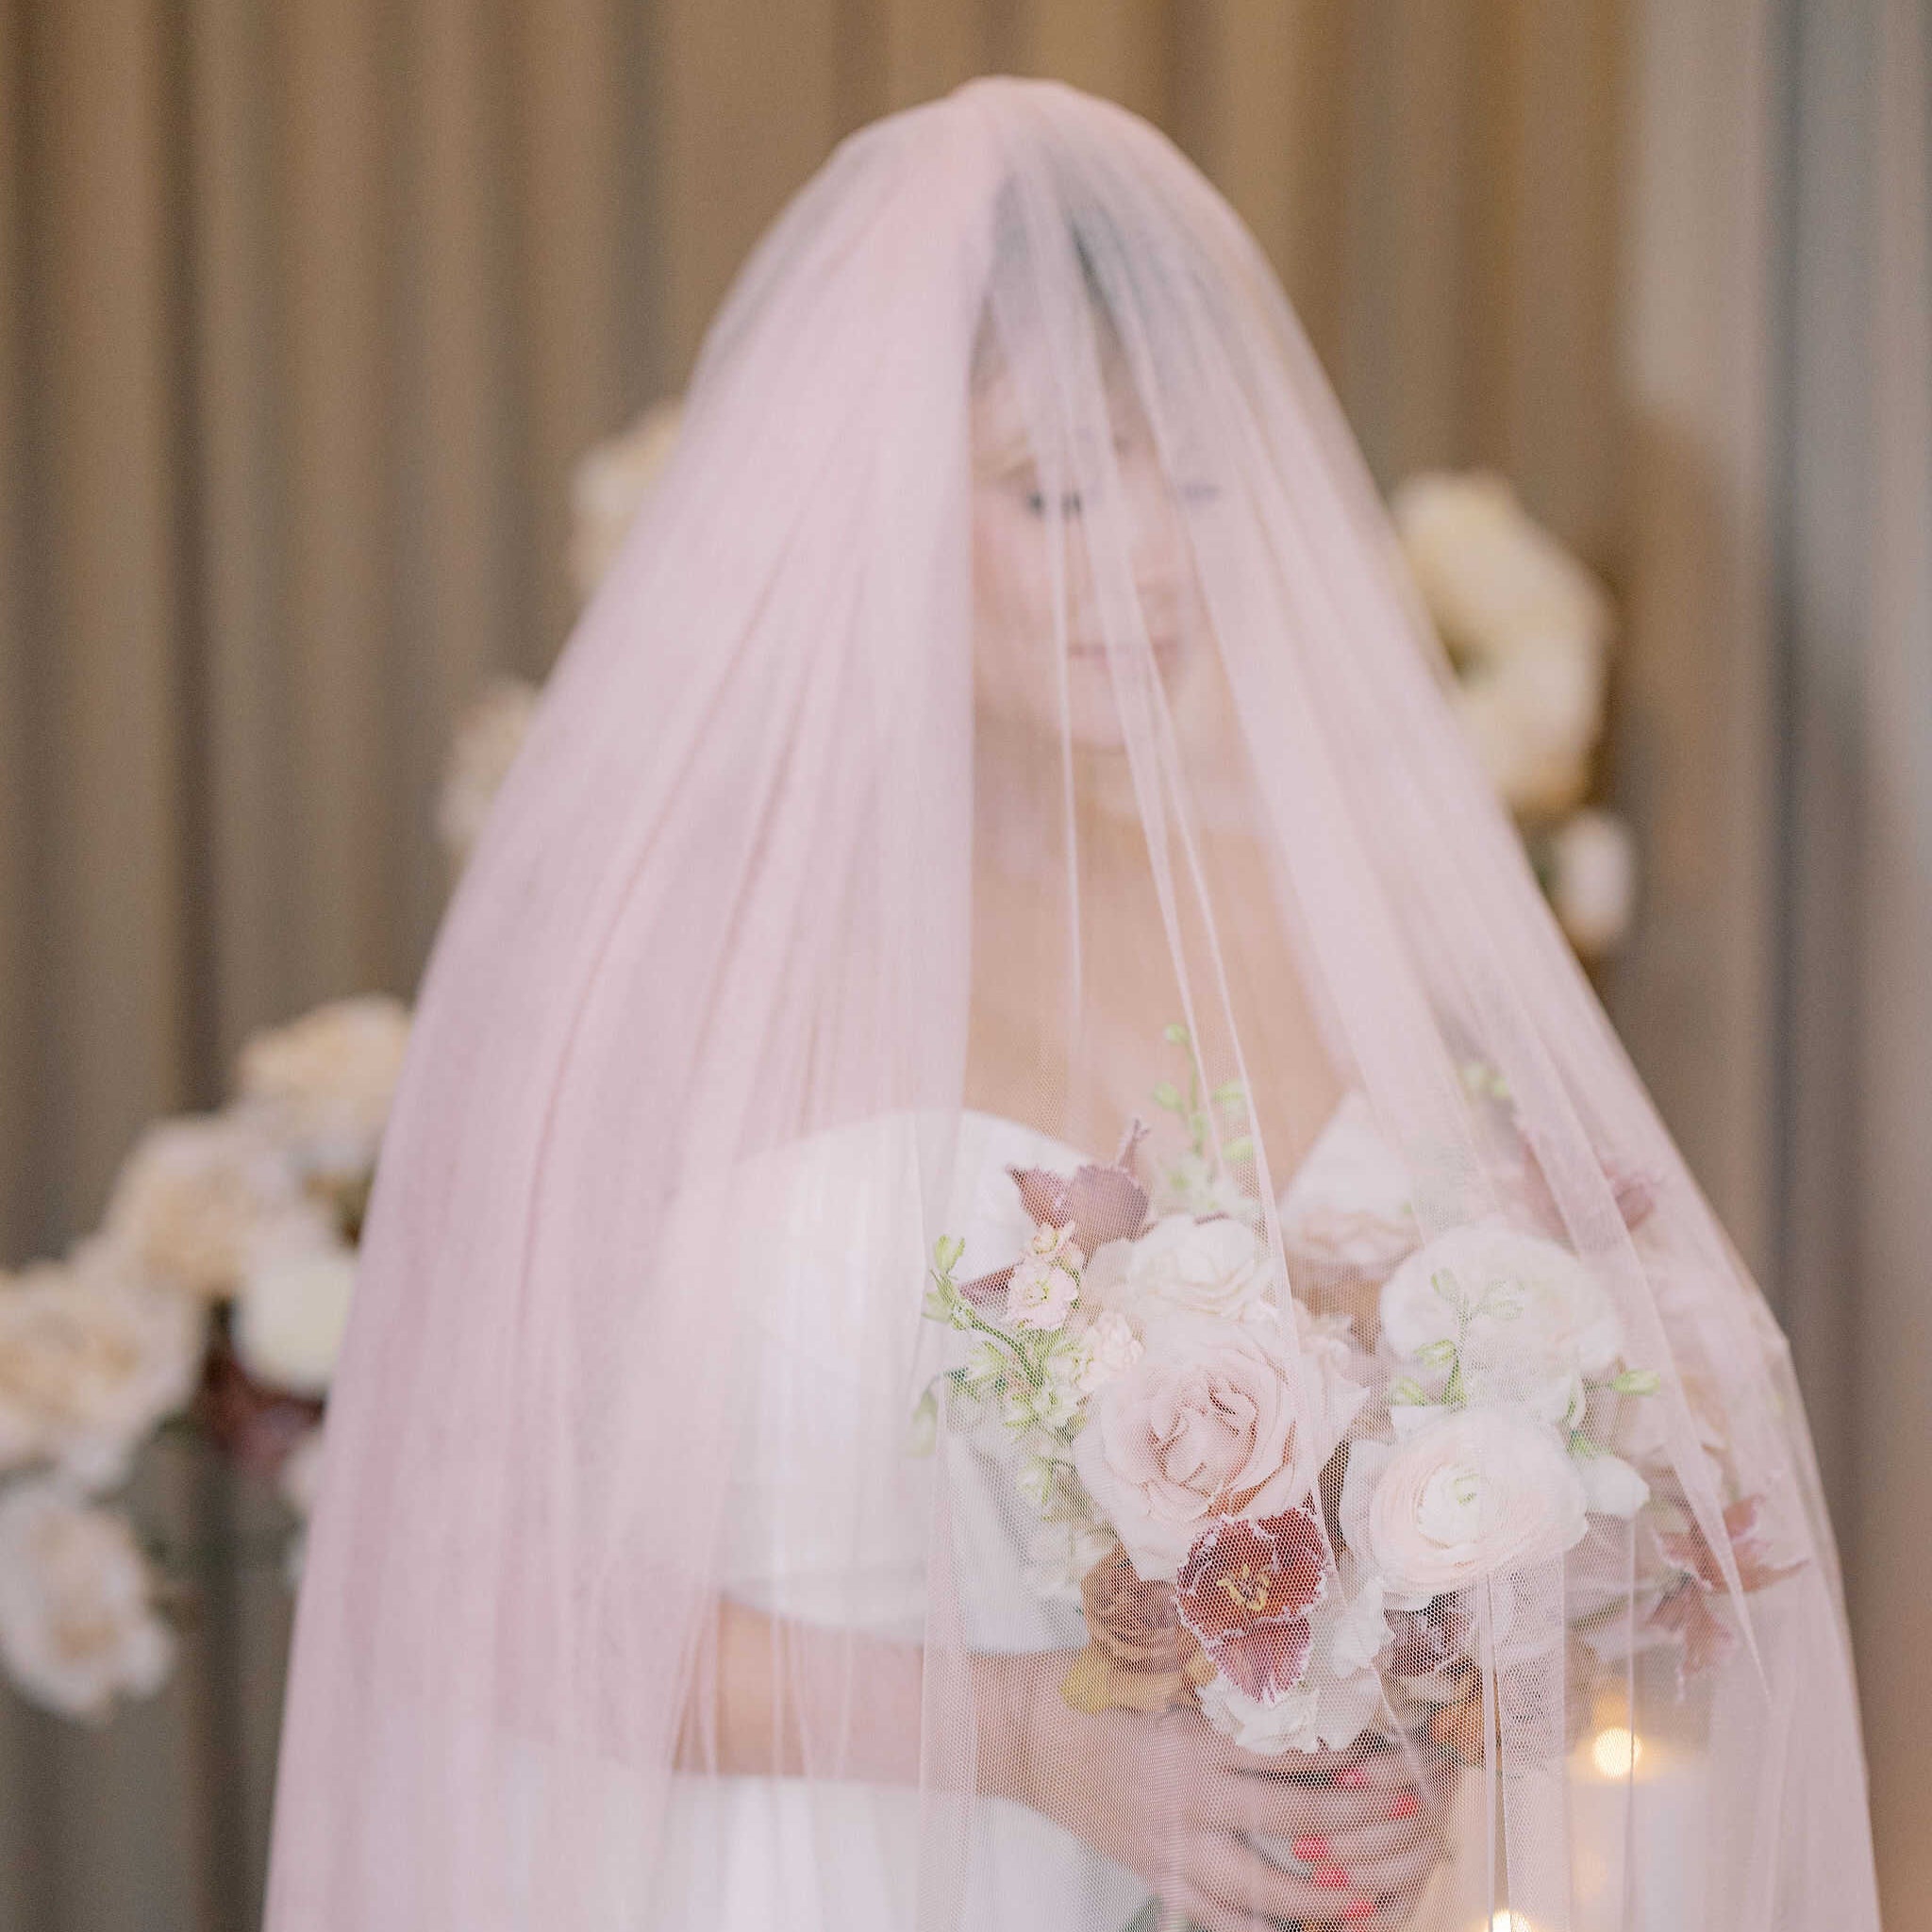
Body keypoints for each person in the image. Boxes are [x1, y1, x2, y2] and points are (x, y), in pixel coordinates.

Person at [262, 78, 1880, 1932]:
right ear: (874, 511)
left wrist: (1402, 1715)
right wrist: (1020, 1736)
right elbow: (448, 1569)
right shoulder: (670, 940)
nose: (1153, 563)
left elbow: (1491, 1454)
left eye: (1192, 482)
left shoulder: (1314, 910)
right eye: (1054, 490)